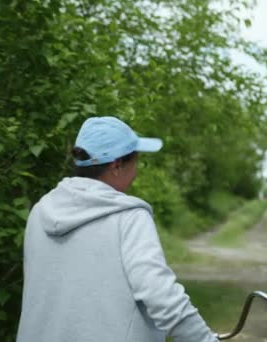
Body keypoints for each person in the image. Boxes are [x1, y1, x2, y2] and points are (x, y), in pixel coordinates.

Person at [17, 116, 218, 342]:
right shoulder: (129, 217)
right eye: (135, 163)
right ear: (116, 165)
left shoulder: (39, 212)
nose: (136, 173)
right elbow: (161, 295)